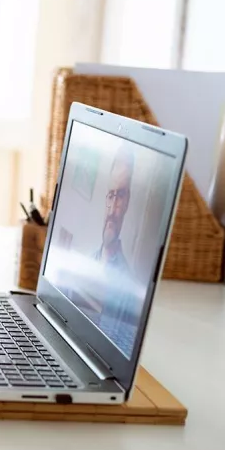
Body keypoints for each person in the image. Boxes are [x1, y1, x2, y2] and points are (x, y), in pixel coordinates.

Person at [91, 144, 138, 353]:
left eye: (120, 196)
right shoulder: (85, 262)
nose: (112, 208)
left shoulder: (128, 291)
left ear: (127, 202)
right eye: (111, 195)